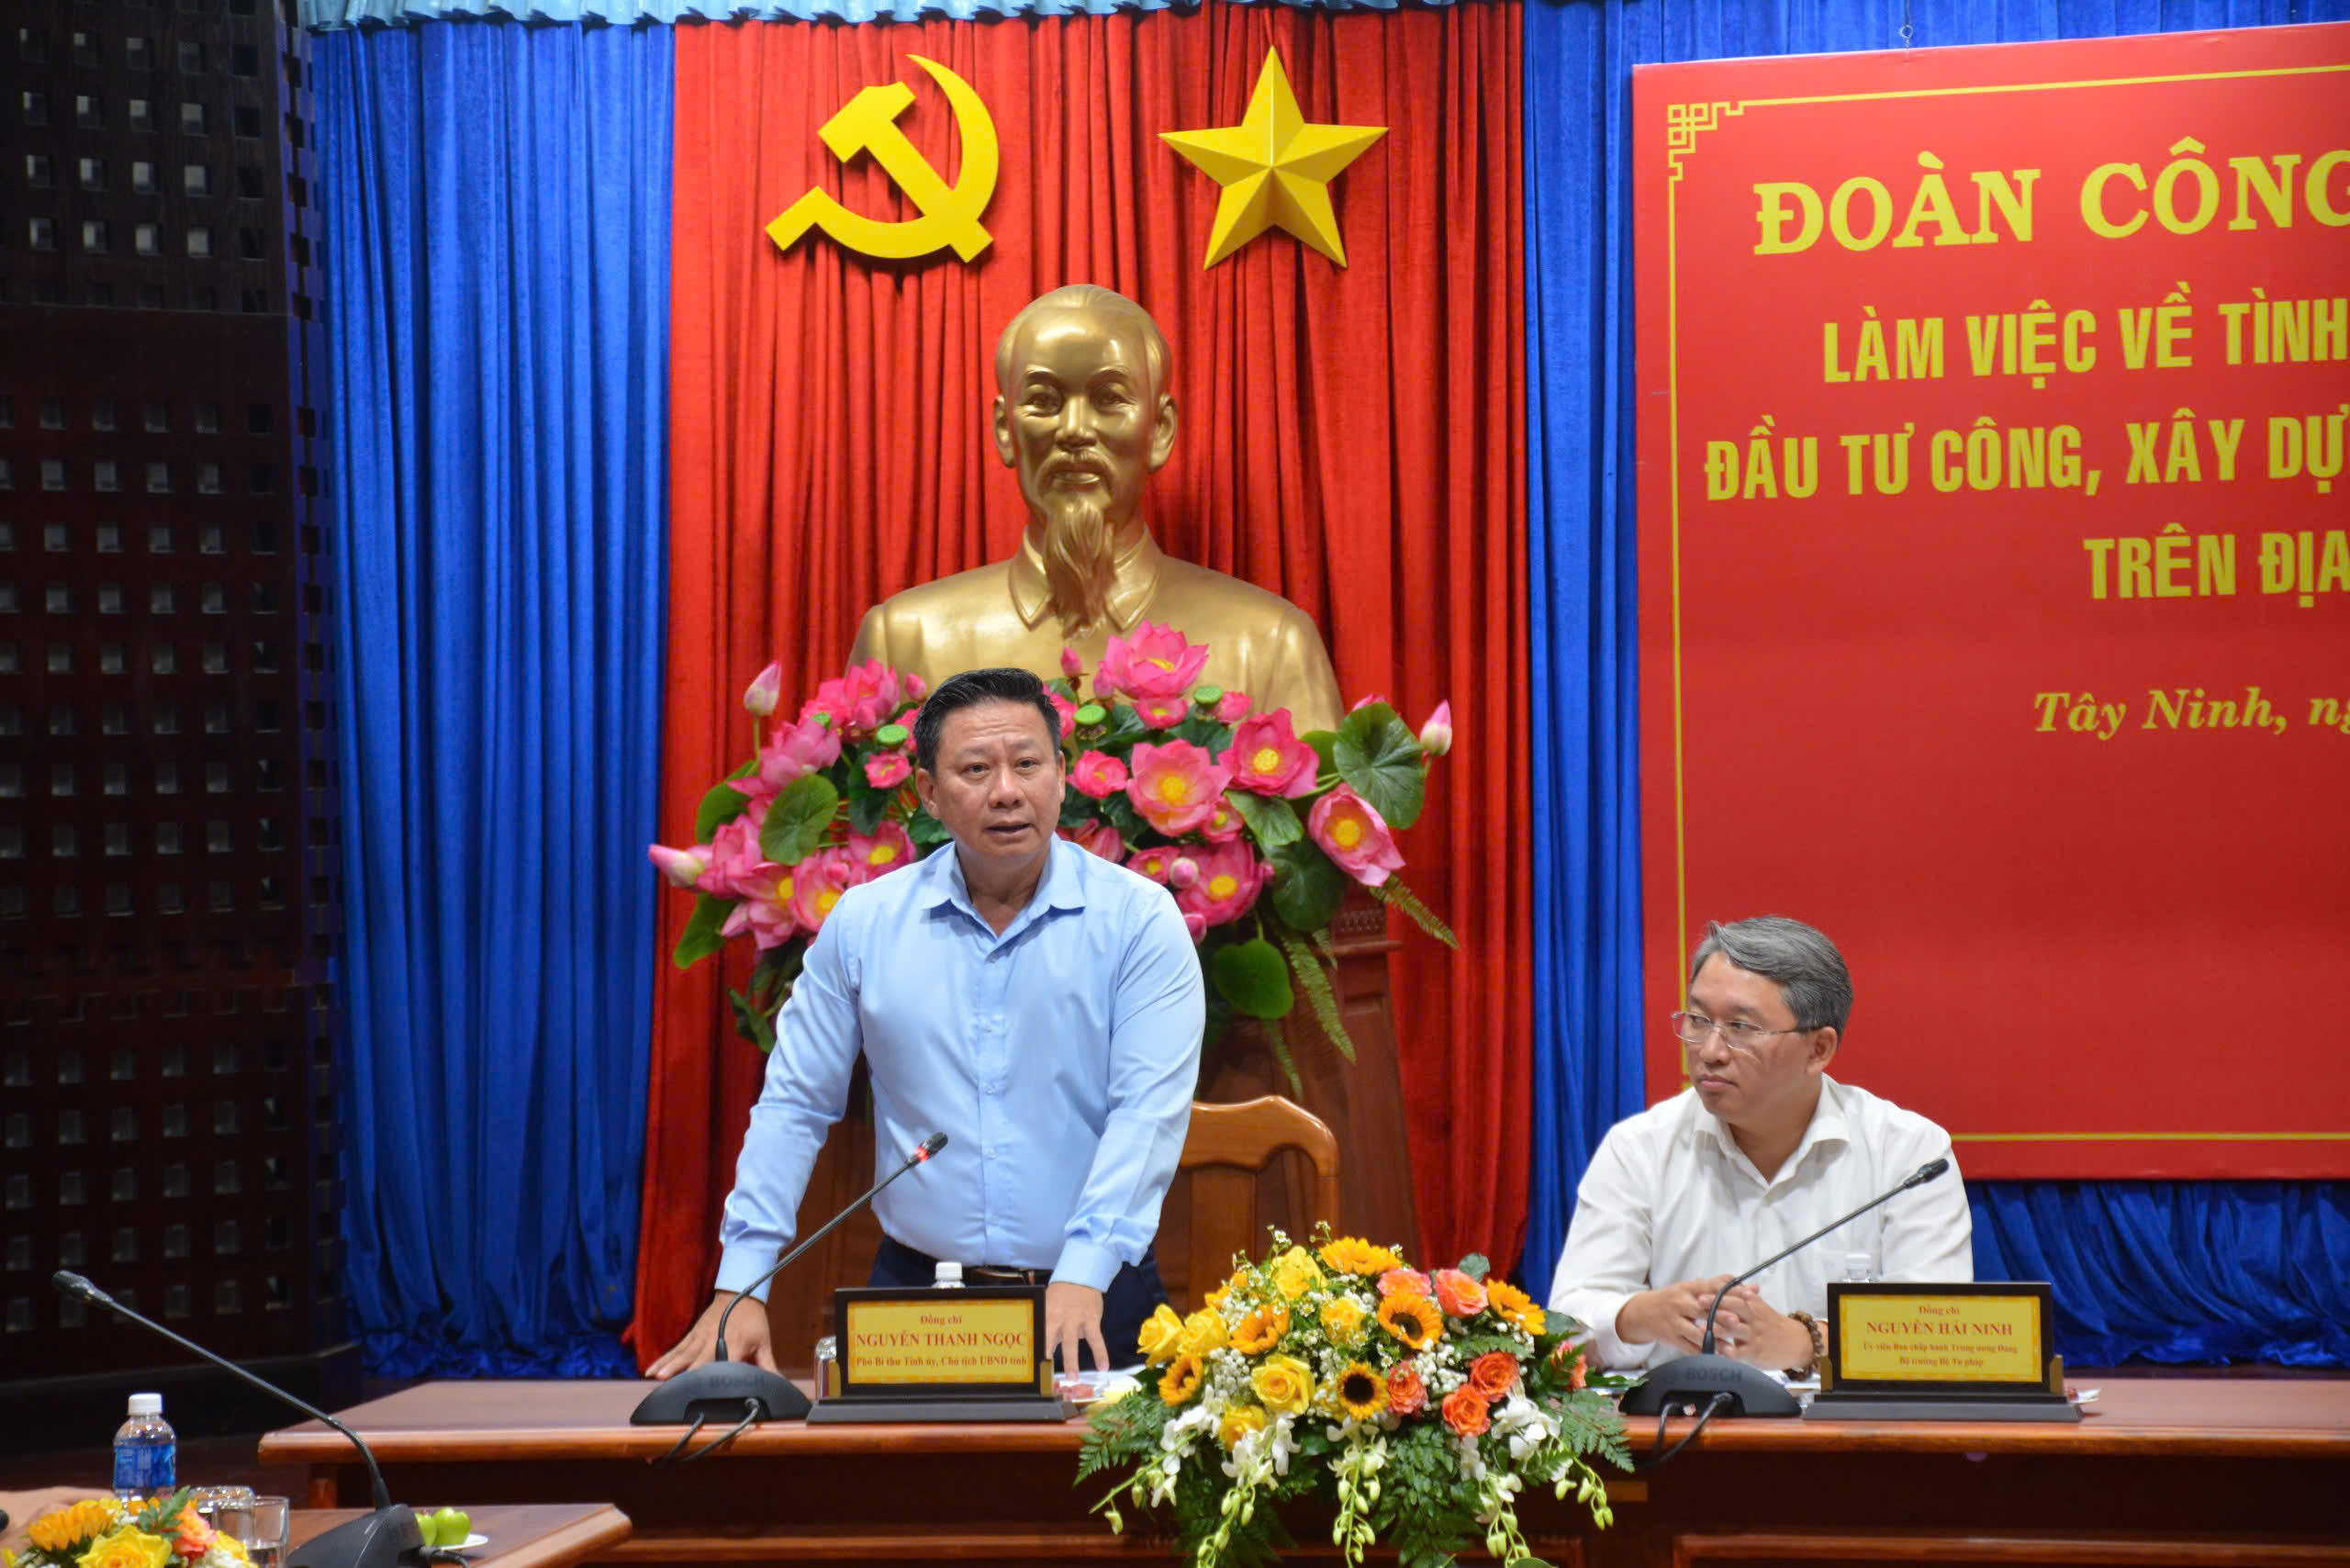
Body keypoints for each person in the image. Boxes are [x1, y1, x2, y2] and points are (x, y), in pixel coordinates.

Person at [648, 666, 1205, 1381]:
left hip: (1095, 1297)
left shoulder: (1137, 921)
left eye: (1027, 764)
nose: (1006, 791)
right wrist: (743, 1282)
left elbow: (1146, 1115)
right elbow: (794, 1104)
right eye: (975, 769)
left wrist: (1086, 1267)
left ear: (1062, 776)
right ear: (928, 793)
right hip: (921, 1307)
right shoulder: (866, 923)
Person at [849, 285, 1345, 734]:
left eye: (1109, 398)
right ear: (1004, 429)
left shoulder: (1269, 645)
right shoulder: (906, 640)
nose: (1074, 430)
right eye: (1044, 400)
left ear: (1160, 429)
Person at [1548, 915, 1972, 1374]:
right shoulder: (1639, 1148)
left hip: (1840, 1422)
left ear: (1818, 1049)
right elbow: (1562, 1329)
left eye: (1740, 1027)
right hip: (1680, 1418)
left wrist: (1805, 1342)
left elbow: (1941, 1335)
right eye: (1698, 1020)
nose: (1710, 1051)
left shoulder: (1908, 1154)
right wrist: (1637, 1317)